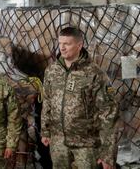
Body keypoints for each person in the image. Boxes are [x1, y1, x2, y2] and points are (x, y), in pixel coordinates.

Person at [41, 27, 118, 169]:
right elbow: (47, 100)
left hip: (86, 145)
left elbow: (109, 113)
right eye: (60, 43)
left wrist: (107, 154)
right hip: (59, 143)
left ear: (79, 45)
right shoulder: (52, 71)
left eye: (67, 44)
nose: (62, 48)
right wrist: (45, 130)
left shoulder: (95, 73)